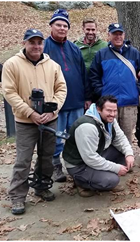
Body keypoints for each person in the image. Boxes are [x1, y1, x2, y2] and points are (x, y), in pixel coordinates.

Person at [2, 29, 67, 214]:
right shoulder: (12, 65)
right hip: (25, 121)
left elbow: (61, 88)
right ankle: (17, 197)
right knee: (23, 160)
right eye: (32, 42)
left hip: (49, 119)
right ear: (25, 43)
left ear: (43, 45)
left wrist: (53, 109)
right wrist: (29, 112)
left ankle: (42, 186)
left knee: (46, 156)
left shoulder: (52, 65)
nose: (36, 46)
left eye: (39, 42)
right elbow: (9, 92)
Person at [43, 9, 90, 183]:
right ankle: (55, 165)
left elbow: (83, 73)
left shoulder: (74, 48)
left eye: (65, 26)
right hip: (56, 103)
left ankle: (74, 165)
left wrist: (87, 97)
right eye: (58, 25)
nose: (62, 28)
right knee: (56, 137)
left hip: (76, 101)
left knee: (76, 136)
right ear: (51, 26)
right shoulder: (44, 47)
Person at [89, 23, 140, 145]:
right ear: (109, 35)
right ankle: (110, 162)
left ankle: (125, 160)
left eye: (120, 34)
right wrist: (102, 92)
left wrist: (136, 90)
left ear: (124, 35)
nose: (118, 37)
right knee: (109, 135)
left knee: (126, 136)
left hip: (129, 104)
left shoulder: (134, 53)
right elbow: (94, 76)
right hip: (109, 105)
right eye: (114, 34)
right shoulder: (101, 54)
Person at [62, 95, 135, 197]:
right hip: (79, 165)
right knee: (112, 180)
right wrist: (116, 168)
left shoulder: (110, 119)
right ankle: (80, 182)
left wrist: (129, 154)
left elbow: (120, 138)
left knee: (125, 157)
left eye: (115, 111)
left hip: (95, 154)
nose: (113, 114)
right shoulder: (87, 127)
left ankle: (97, 175)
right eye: (109, 111)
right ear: (99, 109)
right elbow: (90, 158)